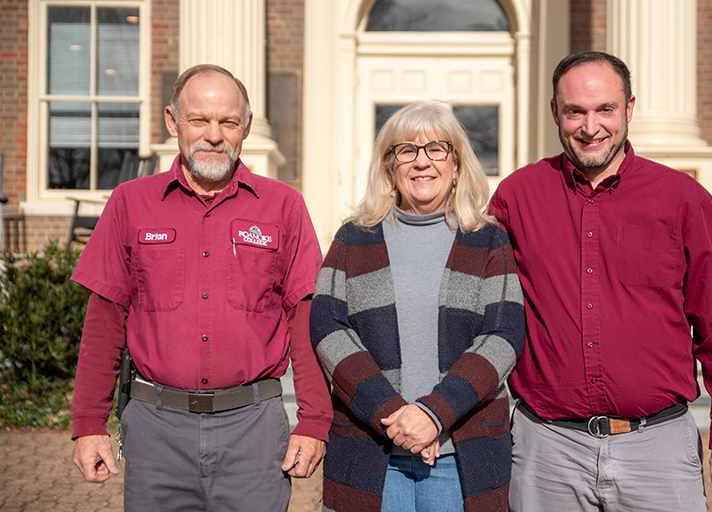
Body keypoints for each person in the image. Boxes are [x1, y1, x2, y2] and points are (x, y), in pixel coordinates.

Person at [488, 51, 712, 511]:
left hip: (658, 449)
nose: (590, 127)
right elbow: (481, 309)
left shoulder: (684, 200)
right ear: (556, 112)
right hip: (548, 451)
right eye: (575, 111)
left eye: (605, 109)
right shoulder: (517, 197)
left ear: (629, 108)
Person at [69, 64, 332, 511]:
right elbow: (105, 319)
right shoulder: (130, 203)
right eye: (199, 120)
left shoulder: (284, 206)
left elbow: (306, 318)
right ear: (173, 122)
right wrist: (88, 421)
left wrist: (313, 422)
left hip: (254, 430)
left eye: (228, 122)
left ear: (245, 126)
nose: (214, 135)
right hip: (156, 431)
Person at [310, 101, 526, 512]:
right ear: (390, 165)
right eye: (406, 150)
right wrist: (397, 417)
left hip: (460, 456)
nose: (421, 162)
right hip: (373, 450)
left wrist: (434, 413)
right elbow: (329, 329)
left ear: (457, 163)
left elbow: (503, 336)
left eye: (436, 149)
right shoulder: (354, 239)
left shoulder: (487, 241)